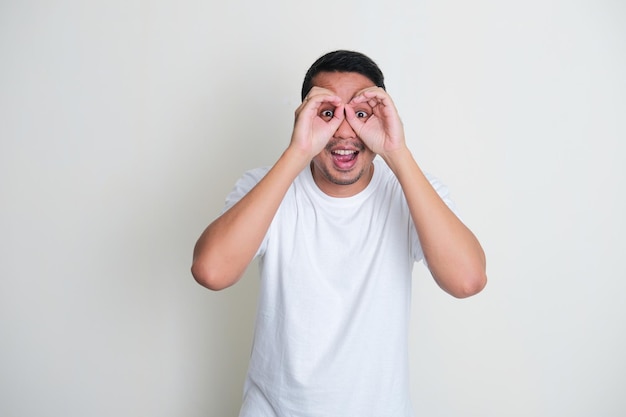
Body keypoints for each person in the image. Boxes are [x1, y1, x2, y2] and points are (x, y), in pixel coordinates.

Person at [191, 50, 487, 417]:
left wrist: (397, 151)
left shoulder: (412, 193)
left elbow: (468, 280)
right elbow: (211, 271)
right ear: (304, 117)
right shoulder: (264, 187)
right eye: (328, 113)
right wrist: (298, 151)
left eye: (361, 114)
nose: (345, 131)